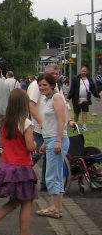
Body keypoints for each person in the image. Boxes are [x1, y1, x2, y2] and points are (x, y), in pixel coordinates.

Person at [0, 87, 41, 235]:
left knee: (15, 200)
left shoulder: (6, 122)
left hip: (7, 165)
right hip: (21, 167)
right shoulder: (26, 123)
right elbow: (29, 146)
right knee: (27, 201)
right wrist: (35, 145)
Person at [36, 73, 69, 219]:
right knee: (55, 173)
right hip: (49, 138)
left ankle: (54, 207)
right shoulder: (46, 99)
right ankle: (57, 207)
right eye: (40, 85)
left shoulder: (56, 98)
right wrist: (45, 142)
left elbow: (62, 121)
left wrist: (57, 141)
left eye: (45, 85)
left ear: (52, 85)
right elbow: (50, 123)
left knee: (52, 175)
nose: (42, 87)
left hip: (57, 139)